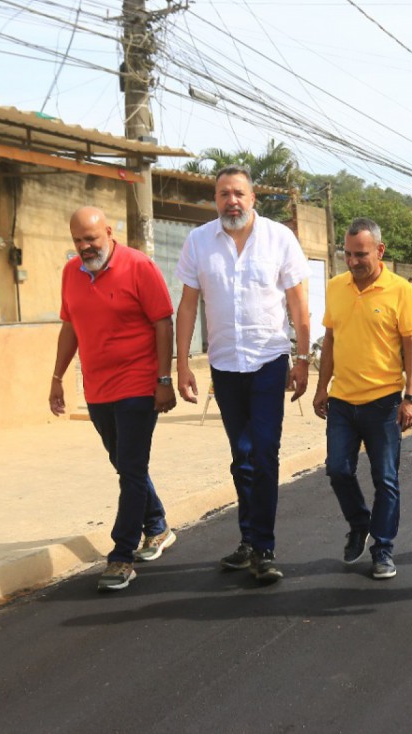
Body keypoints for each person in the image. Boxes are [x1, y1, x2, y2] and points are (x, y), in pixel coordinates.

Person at [175, 165, 311, 584]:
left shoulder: (279, 239)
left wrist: (303, 359)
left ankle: (264, 547)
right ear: (215, 200)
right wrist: (181, 364)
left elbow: (298, 304)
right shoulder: (199, 242)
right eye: (223, 194)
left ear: (252, 198)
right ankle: (249, 540)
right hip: (225, 364)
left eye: (238, 193)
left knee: (264, 452)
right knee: (242, 456)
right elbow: (187, 307)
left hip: (269, 361)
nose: (231, 201)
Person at [50, 206, 178, 592]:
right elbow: (70, 326)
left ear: (108, 232)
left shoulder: (139, 266)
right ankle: (156, 526)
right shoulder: (71, 274)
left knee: (132, 467)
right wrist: (57, 377)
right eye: (78, 240)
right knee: (124, 464)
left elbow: (162, 321)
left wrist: (164, 378)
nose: (85, 246)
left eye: (91, 238)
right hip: (98, 388)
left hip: (138, 384)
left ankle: (121, 557)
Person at [313, 218, 412, 580]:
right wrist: (321, 386)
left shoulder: (400, 290)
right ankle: (360, 523)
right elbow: (330, 340)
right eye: (347, 253)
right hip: (342, 401)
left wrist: (411, 397)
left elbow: (411, 346)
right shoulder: (335, 286)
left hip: (384, 402)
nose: (353, 261)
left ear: (380, 251)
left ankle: (383, 549)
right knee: (338, 469)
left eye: (360, 254)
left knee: (385, 479)